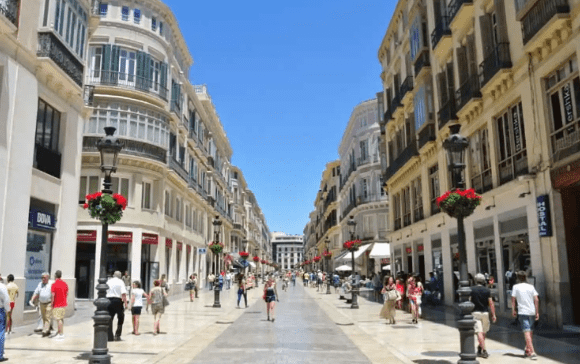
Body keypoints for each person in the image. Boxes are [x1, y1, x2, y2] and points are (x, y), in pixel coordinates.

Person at [511, 271, 539, 360]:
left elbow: (513, 299)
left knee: (526, 331)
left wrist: (513, 310)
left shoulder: (515, 287)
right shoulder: (531, 286)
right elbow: (536, 299)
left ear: (518, 278)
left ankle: (532, 351)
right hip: (531, 311)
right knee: (529, 331)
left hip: (522, 311)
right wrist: (537, 312)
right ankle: (527, 349)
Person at [470, 273, 496, 359]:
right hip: (485, 313)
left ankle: (483, 350)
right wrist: (493, 314)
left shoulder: (471, 289)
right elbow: (491, 303)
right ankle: (481, 347)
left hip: (475, 313)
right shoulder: (487, 290)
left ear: (475, 280)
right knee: (484, 332)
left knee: (479, 332)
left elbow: (469, 301)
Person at [30, 272, 53, 337]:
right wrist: (32, 300)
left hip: (49, 303)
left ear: (48, 278)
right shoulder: (40, 284)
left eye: (44, 278)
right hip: (42, 303)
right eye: (42, 278)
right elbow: (36, 293)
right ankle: (47, 329)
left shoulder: (51, 284)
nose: (43, 279)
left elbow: (54, 294)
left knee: (47, 316)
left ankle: (45, 330)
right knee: (44, 317)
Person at [106, 271, 128, 341]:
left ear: (113, 275)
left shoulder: (108, 281)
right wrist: (126, 303)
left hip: (109, 300)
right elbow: (123, 294)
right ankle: (117, 335)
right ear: (120, 276)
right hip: (118, 301)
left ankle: (109, 336)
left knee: (110, 318)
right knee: (121, 317)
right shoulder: (121, 282)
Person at [50, 270, 68, 341]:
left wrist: (52, 304)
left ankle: (61, 334)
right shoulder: (65, 284)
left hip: (57, 304)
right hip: (63, 304)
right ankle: (60, 332)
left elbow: (53, 295)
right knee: (61, 319)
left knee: (58, 319)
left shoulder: (54, 285)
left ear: (55, 276)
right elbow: (67, 293)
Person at [0, 277, 10, 362]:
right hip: (0, 311)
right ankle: (0, 355)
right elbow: (6, 299)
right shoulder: (2, 286)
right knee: (1, 332)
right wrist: (8, 310)